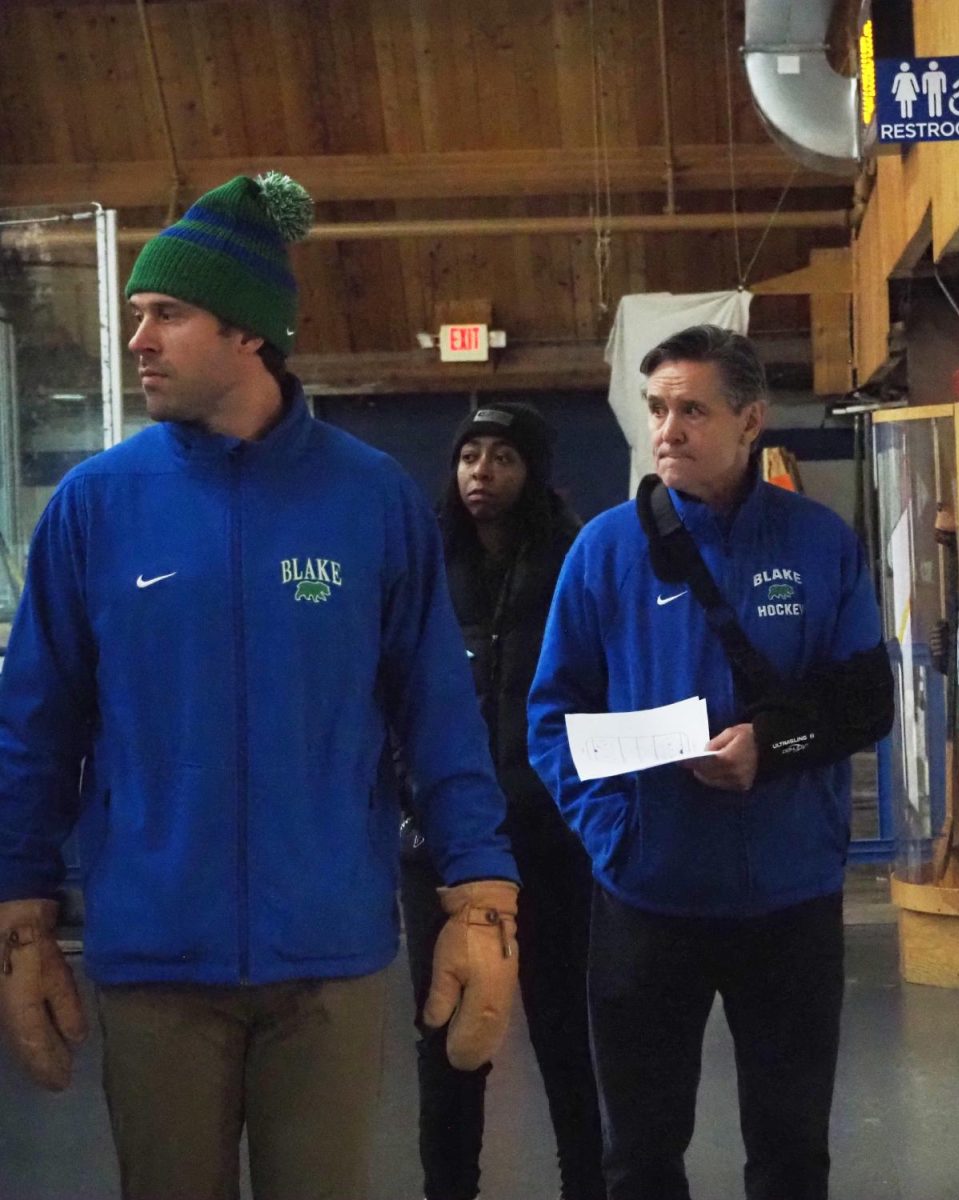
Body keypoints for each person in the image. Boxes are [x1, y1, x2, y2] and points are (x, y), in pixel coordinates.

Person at [0, 172, 520, 1200]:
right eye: (138, 314)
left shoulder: (369, 501)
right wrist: (21, 917)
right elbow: (36, 730)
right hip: (155, 956)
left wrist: (482, 894)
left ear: (249, 335)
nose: (139, 340)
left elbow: (436, 714)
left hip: (328, 954)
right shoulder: (96, 509)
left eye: (166, 314)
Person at [528, 324, 894, 1200]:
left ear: (751, 419)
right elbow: (552, 719)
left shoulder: (817, 543)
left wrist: (771, 750)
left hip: (790, 901)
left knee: (791, 1150)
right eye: (657, 408)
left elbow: (864, 702)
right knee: (642, 1157)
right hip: (649, 901)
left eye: (692, 409)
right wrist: (616, 836)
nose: (668, 430)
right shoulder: (605, 552)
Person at [399, 402, 605, 1200]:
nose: (482, 472)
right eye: (470, 456)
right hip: (442, 846)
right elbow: (393, 692)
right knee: (446, 1034)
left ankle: (587, 1185)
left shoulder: (573, 564)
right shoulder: (424, 564)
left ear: (536, 471)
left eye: (504, 458)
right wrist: (411, 800)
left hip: (551, 841)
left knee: (565, 1032)